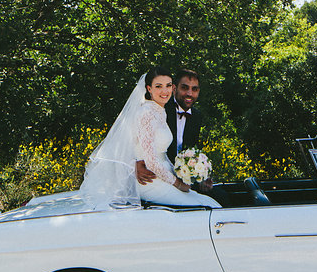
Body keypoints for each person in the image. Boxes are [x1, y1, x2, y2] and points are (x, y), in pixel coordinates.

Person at [78, 67, 219, 209]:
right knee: (200, 206)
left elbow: (163, 155)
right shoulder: (146, 112)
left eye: (168, 86)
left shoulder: (160, 110)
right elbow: (151, 162)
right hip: (149, 179)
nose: (164, 91)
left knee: (207, 201)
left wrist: (183, 176)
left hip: (164, 174)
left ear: (172, 88)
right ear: (149, 88)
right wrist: (178, 184)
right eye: (158, 86)